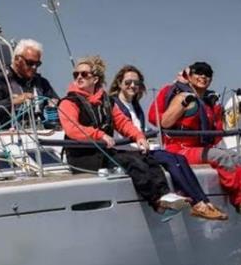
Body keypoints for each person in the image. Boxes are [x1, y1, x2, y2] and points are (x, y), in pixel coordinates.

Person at [57, 55, 190, 215]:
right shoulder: (69, 102)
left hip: (103, 152)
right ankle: (157, 202)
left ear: (95, 79)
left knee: (146, 157)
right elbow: (72, 128)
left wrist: (139, 136)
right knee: (131, 161)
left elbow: (122, 122)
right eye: (76, 74)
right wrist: (100, 135)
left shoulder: (106, 101)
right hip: (82, 156)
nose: (79, 77)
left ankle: (165, 195)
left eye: (84, 74)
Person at [147, 61, 241, 218]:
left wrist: (219, 111)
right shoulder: (183, 97)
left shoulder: (207, 103)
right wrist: (183, 103)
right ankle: (240, 203)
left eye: (208, 74)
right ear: (190, 76)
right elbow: (165, 122)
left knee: (236, 156)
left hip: (197, 147)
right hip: (180, 148)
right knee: (222, 157)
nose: (203, 76)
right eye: (198, 72)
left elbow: (215, 135)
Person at [109, 65, 228, 221]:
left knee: (180, 159)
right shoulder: (113, 104)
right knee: (171, 160)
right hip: (127, 150)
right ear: (119, 83)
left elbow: (139, 128)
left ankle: (203, 201)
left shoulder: (135, 105)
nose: (133, 86)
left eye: (136, 83)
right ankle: (198, 204)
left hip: (141, 147)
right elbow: (122, 129)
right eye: (128, 82)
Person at [0, 39, 59, 130]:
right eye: (30, 63)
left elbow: (58, 105)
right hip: (4, 139)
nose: (34, 67)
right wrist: (13, 101)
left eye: (38, 64)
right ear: (17, 59)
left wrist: (55, 105)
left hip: (38, 136)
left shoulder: (42, 84)